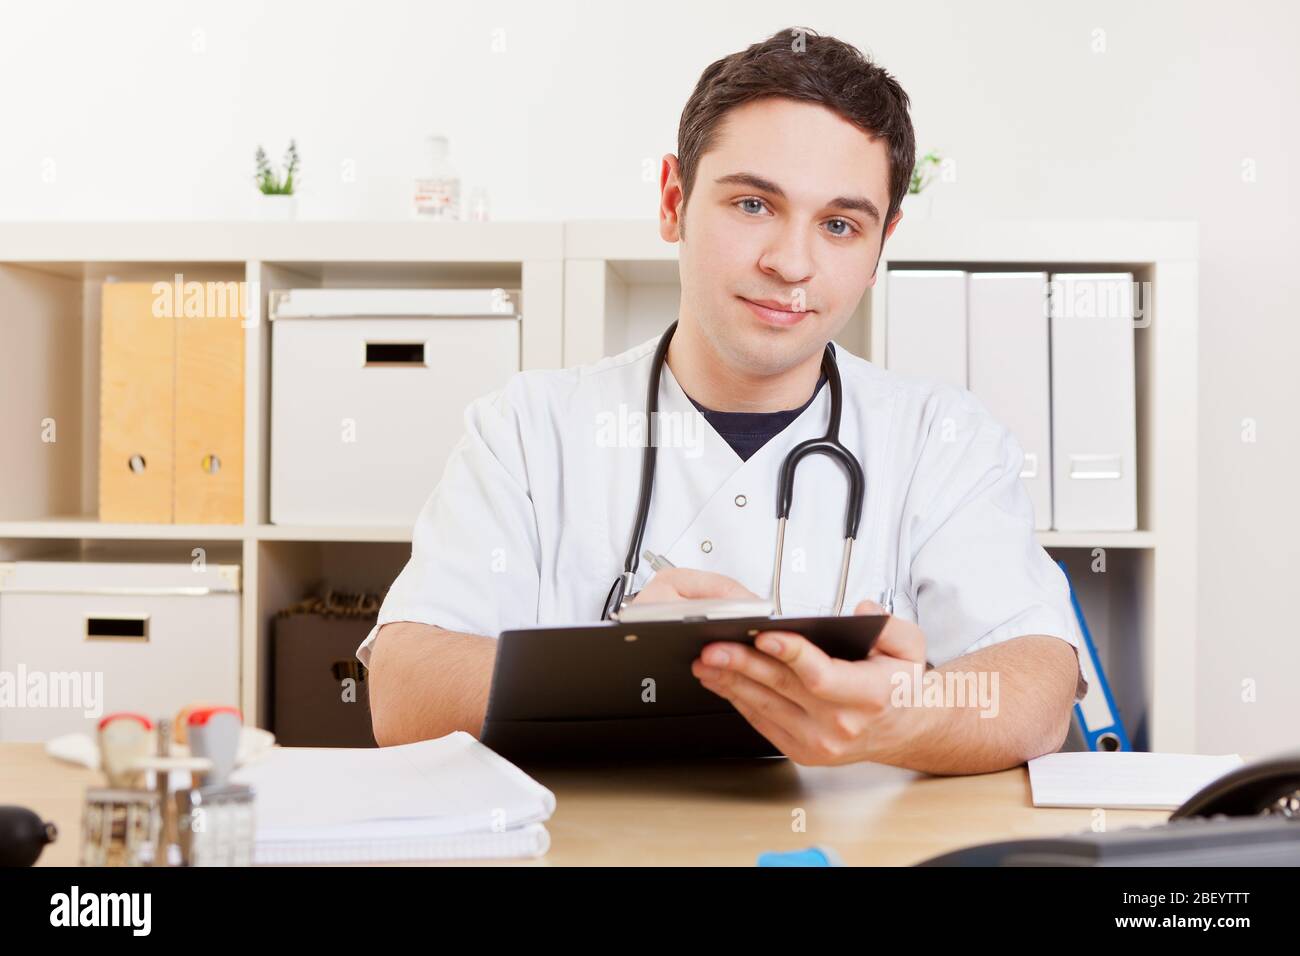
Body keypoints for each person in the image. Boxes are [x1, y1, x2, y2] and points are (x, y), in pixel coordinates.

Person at [360, 26, 1086, 773]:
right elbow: (404, 686)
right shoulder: (528, 429)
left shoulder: (944, 439)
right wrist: (633, 673)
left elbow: (1038, 689)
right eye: (752, 205)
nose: (791, 263)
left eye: (839, 225)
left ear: (879, 247)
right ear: (674, 200)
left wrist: (900, 719)